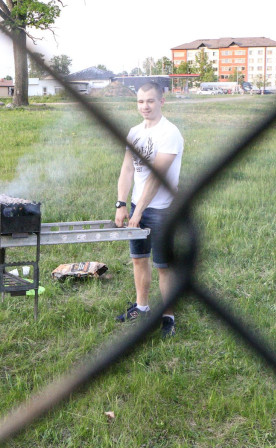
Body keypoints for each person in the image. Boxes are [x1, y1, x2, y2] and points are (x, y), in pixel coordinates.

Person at [113, 82, 184, 339]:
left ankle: (168, 316)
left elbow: (156, 177)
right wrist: (122, 204)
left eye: (150, 101)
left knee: (163, 265)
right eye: (141, 101)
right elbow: (127, 169)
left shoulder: (170, 133)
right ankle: (142, 307)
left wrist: (139, 211)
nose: (145, 106)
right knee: (138, 259)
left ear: (162, 101)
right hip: (135, 207)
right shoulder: (134, 132)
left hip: (162, 209)